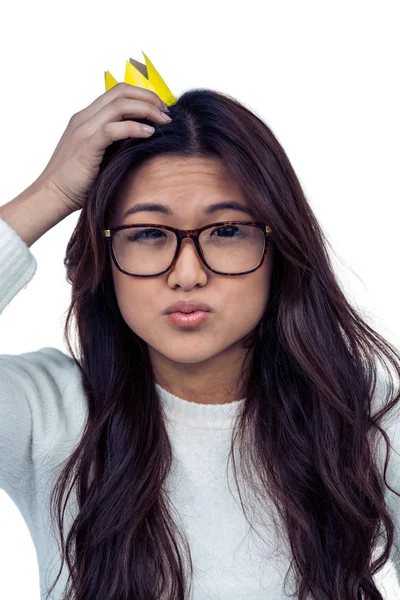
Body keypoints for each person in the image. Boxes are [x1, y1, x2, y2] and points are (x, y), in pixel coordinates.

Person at [0, 82, 399, 600]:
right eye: (148, 233)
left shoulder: (368, 415)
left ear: (279, 249)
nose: (187, 275)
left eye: (227, 230)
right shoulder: (45, 411)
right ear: (105, 259)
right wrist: (50, 194)